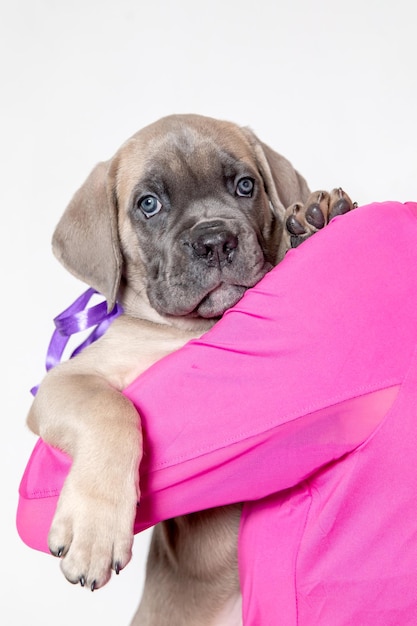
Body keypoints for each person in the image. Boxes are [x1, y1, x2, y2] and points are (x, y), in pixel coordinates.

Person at [18, 200, 417, 624]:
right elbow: (56, 399)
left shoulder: (385, 250)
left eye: (242, 186)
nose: (213, 237)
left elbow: (40, 499)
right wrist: (107, 433)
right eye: (150, 205)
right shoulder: (388, 255)